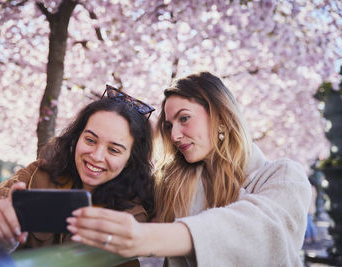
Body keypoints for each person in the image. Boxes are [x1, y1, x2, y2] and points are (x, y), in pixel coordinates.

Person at [67, 72, 312, 266]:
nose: (174, 135)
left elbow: (257, 229)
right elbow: (117, 196)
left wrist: (146, 238)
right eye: (168, 125)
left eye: (184, 118)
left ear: (220, 114)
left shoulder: (284, 177)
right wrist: (30, 204)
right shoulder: (171, 185)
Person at [0, 85, 156, 256]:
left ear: (131, 159)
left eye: (113, 150)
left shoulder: (133, 216)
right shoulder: (38, 173)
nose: (96, 156)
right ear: (77, 137)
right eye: (90, 140)